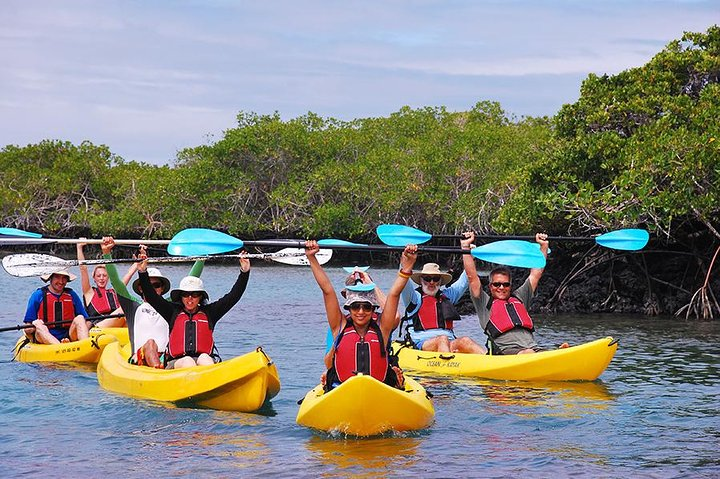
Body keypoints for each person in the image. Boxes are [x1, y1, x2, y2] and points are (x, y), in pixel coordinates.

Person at [305, 240, 412, 391]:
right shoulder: (339, 326)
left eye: (366, 307)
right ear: (348, 307)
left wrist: (407, 267)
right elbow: (327, 290)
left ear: (373, 308)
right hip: (344, 390)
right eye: (355, 307)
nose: (361, 312)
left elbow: (394, 294)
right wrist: (312, 258)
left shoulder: (383, 328)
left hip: (379, 390)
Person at [136, 249, 250, 369]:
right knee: (188, 362)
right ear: (181, 296)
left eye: (194, 294)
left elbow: (234, 296)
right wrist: (142, 272)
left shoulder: (210, 312)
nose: (190, 298)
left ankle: (210, 384)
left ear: (200, 296)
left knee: (205, 359)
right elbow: (151, 296)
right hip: (177, 363)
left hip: (202, 361)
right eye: (185, 294)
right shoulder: (172, 311)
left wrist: (245, 271)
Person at [101, 237, 204, 368]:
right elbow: (116, 282)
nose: (152, 288)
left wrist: (202, 256)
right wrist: (106, 253)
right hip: (140, 358)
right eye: (149, 285)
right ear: (140, 287)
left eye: (156, 285)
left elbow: (191, 279)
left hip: (166, 358)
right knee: (150, 343)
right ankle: (158, 371)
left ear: (162, 288)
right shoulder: (133, 305)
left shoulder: (170, 306)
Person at [464, 232, 567, 354]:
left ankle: (557, 355)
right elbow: (472, 277)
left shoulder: (520, 298)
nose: (501, 287)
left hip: (533, 349)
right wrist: (465, 247)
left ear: (510, 286)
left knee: (563, 348)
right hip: (506, 352)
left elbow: (536, 274)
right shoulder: (483, 303)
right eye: (497, 284)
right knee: (528, 353)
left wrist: (543, 247)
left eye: (506, 284)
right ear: (490, 286)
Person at [400, 233, 486, 354]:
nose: (431, 282)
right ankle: (449, 367)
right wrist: (406, 259)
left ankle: (492, 363)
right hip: (422, 343)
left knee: (465, 340)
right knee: (442, 340)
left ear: (440, 281)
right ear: (420, 280)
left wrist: (467, 252)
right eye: (427, 278)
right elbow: (402, 280)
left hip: (449, 341)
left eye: (435, 279)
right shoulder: (413, 298)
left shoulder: (448, 296)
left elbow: (467, 276)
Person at [77, 239, 137, 328]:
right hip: (98, 326)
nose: (101, 278)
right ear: (94, 278)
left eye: (104, 275)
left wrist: (137, 263)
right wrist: (79, 248)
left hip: (115, 325)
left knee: (130, 309)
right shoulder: (89, 292)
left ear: (108, 277)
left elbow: (129, 274)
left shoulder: (114, 291)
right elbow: (83, 269)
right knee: (125, 308)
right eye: (98, 276)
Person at [23, 269, 89, 344]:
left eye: (64, 278)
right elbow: (28, 326)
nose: (61, 282)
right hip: (44, 335)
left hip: (68, 335)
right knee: (38, 323)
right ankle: (59, 347)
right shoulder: (38, 295)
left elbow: (87, 321)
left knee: (80, 318)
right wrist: (33, 327)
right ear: (50, 277)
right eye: (57, 277)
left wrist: (83, 330)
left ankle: (86, 345)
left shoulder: (71, 294)